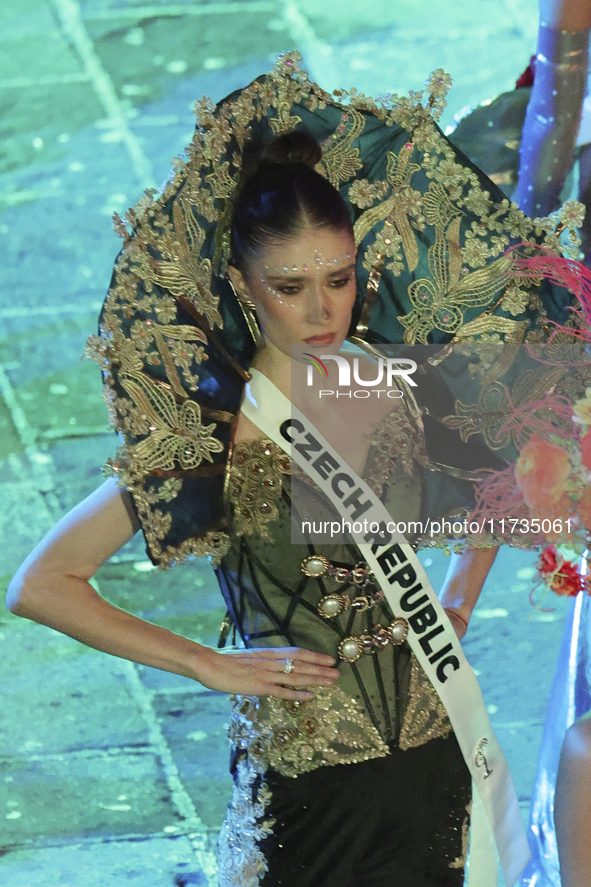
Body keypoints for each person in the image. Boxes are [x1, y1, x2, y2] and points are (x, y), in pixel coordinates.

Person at [6, 53, 575, 886]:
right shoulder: (218, 427)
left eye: (339, 280)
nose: (321, 310)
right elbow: (42, 582)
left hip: (433, 752)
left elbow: (493, 478)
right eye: (290, 286)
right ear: (241, 286)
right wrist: (206, 663)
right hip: (307, 775)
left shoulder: (397, 380)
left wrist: (455, 595)